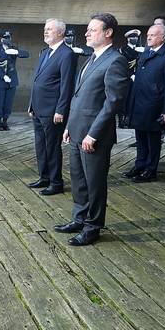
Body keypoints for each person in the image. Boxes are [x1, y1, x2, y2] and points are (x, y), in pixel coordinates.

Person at [54, 13, 130, 246]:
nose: (86, 33)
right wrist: (69, 126)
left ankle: (93, 226)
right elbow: (80, 98)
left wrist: (93, 133)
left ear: (108, 33)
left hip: (94, 136)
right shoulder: (92, 58)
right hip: (77, 130)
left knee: (94, 182)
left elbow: (112, 102)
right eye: (87, 30)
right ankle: (80, 218)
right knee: (78, 180)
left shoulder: (115, 60)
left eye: (92, 30)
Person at [123, 23, 165, 182]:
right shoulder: (146, 53)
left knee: (153, 140)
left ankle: (150, 169)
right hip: (140, 103)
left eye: (153, 35)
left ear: (163, 37)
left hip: (155, 105)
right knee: (140, 136)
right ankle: (140, 165)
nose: (148, 37)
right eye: (148, 35)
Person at [27, 18, 77, 195]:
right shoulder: (45, 52)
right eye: (45, 29)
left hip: (53, 110)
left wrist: (61, 110)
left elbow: (66, 85)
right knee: (40, 146)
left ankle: (56, 182)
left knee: (52, 147)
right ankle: (44, 177)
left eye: (49, 29)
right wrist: (31, 105)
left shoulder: (67, 54)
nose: (45, 32)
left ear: (60, 33)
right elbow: (37, 81)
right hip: (39, 109)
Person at [0, 31, 29, 130]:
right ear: (2, 39)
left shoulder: (13, 49)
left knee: (8, 103)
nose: (7, 40)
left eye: (9, 38)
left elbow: (26, 54)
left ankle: (5, 122)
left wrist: (16, 52)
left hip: (12, 81)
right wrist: (3, 76)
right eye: (5, 38)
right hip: (0, 81)